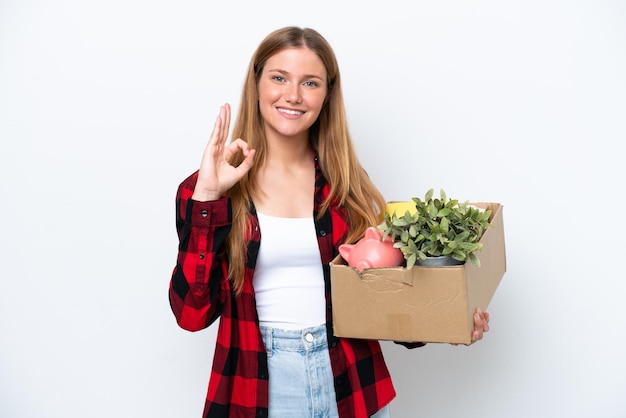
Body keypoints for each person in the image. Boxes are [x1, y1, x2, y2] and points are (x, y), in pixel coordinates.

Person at [168, 26, 490, 418]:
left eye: (310, 82)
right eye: (279, 77)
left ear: (327, 95)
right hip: (260, 389)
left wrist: (447, 321)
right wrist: (207, 198)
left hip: (350, 384)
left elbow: (381, 293)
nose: (293, 95)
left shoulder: (346, 186)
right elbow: (191, 314)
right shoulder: (209, 189)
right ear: (256, 85)